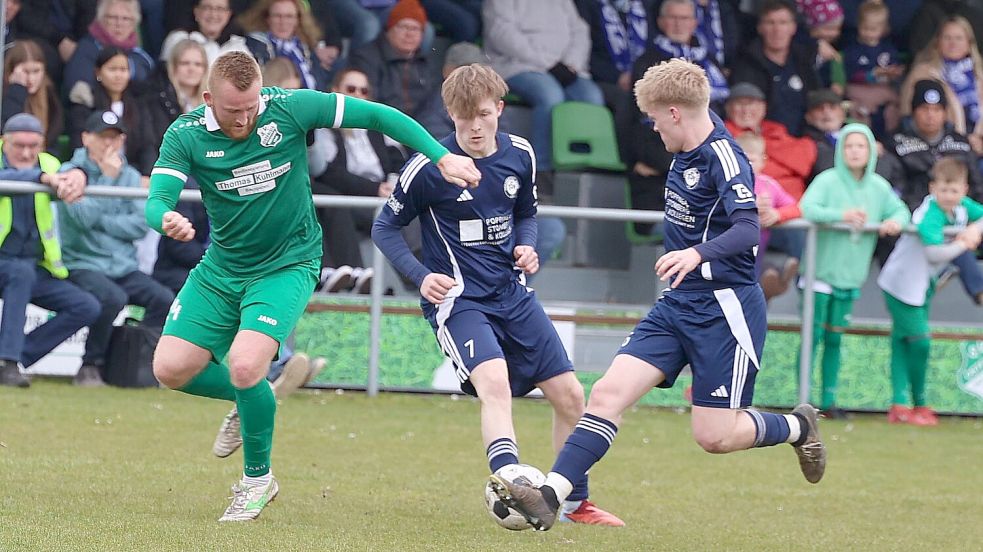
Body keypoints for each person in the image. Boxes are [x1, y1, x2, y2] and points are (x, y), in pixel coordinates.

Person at [487, 59, 828, 532]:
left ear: (673, 113)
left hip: (725, 310)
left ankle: (798, 427)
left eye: (652, 116)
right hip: (679, 304)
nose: (650, 125)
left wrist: (696, 255)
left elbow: (749, 227)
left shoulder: (725, 158)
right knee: (606, 393)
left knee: (714, 436)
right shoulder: (686, 147)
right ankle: (550, 497)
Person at [145, 50, 479, 521]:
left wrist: (440, 156)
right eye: (231, 110)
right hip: (221, 268)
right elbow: (156, 199)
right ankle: (256, 396)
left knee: (244, 366)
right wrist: (167, 219)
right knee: (171, 370)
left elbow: (377, 114)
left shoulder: (290, 107)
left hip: (288, 264)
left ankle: (257, 480)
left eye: (250, 107)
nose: (242, 118)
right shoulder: (186, 134)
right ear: (207, 99)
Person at [372, 62, 623, 527]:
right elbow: (385, 226)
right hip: (459, 299)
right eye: (463, 116)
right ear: (450, 113)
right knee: (495, 384)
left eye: (483, 115)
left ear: (500, 110)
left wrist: (526, 244)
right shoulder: (430, 166)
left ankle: (574, 504)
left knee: (570, 396)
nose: (474, 126)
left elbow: (526, 211)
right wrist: (418, 274)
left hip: (513, 293)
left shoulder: (520, 154)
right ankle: (514, 485)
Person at [798, 122, 910, 419]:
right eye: (849, 145)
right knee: (813, 336)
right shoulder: (827, 180)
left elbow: (901, 211)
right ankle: (803, 400)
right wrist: (841, 216)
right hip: (818, 273)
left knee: (835, 337)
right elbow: (807, 208)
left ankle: (828, 401)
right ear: (841, 150)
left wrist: (894, 222)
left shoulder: (879, 187)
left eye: (861, 146)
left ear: (871, 150)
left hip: (851, 276)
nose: (855, 151)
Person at [58, 111, 176, 387]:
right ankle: (90, 365)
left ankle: (135, 361)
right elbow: (81, 219)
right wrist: (108, 180)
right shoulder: (69, 173)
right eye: (102, 137)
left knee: (163, 299)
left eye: (115, 137)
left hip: (122, 265)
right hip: (83, 263)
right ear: (86, 138)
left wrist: (100, 221)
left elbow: (139, 225)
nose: (109, 144)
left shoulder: (131, 175)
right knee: (112, 298)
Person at [877, 156, 983, 426]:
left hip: (922, 283)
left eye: (955, 190)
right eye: (943, 190)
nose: (949, 196)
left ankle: (900, 405)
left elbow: (980, 216)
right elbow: (935, 254)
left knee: (902, 341)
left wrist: (973, 229)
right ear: (933, 188)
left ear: (964, 190)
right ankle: (920, 404)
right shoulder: (930, 213)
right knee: (920, 341)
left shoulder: (961, 208)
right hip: (902, 283)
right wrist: (965, 243)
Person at [0, 113, 98, 388]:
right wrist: (43, 177)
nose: (27, 152)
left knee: (86, 306)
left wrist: (78, 174)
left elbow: (73, 168)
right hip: (7, 262)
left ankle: (16, 357)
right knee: (20, 273)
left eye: (33, 146)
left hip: (35, 266)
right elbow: (11, 178)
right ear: (4, 142)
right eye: (19, 145)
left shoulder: (51, 164)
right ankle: (6, 363)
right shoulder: (44, 170)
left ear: (42, 144)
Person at [482, 0, 605, 185]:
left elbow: (579, 30)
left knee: (591, 98)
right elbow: (502, 34)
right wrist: (548, 63)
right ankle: (541, 169)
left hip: (565, 68)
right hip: (518, 65)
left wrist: (571, 64)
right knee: (550, 95)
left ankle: (578, 167)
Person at [308, 67, 407, 293]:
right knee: (337, 205)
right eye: (351, 89)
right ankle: (354, 275)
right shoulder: (327, 127)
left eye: (364, 91)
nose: (358, 95)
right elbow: (329, 172)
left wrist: (391, 184)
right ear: (336, 91)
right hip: (353, 195)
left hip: (384, 196)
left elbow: (397, 158)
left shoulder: (376, 125)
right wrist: (374, 189)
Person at [348, 0, 446, 136]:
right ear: (390, 29)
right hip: (383, 131)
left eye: (415, 29)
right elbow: (370, 103)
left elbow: (432, 109)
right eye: (403, 27)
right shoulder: (367, 58)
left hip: (418, 132)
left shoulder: (424, 63)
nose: (409, 34)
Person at [729, 0, 822, 136]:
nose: (777, 30)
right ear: (760, 28)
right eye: (770, 22)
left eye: (783, 23)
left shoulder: (804, 61)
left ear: (793, 27)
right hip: (762, 139)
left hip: (804, 140)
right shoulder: (746, 63)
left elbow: (816, 99)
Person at [67, 47, 158, 178]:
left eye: (123, 70)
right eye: (112, 69)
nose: (118, 75)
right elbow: (78, 143)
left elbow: (147, 145)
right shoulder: (86, 102)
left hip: (132, 173)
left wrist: (148, 175)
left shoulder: (138, 103)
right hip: (92, 172)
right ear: (98, 72)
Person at [900, 16, 983, 153]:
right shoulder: (923, 72)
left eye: (958, 38)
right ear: (938, 42)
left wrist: (978, 139)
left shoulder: (979, 74)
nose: (953, 43)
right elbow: (906, 113)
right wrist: (960, 142)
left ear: (969, 43)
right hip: (938, 146)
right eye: (947, 38)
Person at [733, 132, 801, 300]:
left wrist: (776, 214)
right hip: (728, 255)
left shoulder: (769, 185)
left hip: (756, 255)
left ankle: (776, 277)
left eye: (752, 160)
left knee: (757, 299)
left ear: (763, 161)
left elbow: (796, 208)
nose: (747, 165)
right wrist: (750, 209)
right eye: (742, 159)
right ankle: (775, 276)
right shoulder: (726, 183)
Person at [238, 0, 339, 90]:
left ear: (297, 20)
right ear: (268, 18)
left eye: (289, 16)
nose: (283, 22)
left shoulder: (304, 48)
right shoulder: (256, 44)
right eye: (277, 16)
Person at [62, 0, 155, 98]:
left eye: (126, 19)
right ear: (101, 19)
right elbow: (80, 89)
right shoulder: (87, 49)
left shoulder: (141, 57)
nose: (119, 24)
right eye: (113, 17)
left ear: (134, 23)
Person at [842, 0, 904, 137]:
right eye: (865, 28)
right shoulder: (853, 49)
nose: (868, 33)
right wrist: (872, 73)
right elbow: (851, 74)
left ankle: (891, 138)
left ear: (883, 28)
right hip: (860, 92)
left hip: (884, 91)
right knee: (860, 112)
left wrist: (894, 72)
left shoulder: (888, 49)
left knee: (893, 109)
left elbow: (895, 67)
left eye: (873, 29)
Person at [1, 40, 64, 153]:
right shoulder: (5, 95)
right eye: (25, 72)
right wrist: (17, 89)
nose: (31, 79)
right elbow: (5, 128)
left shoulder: (50, 98)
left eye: (36, 71)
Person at [160, 0, 250, 64]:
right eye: (207, 7)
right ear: (196, 12)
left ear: (228, 15)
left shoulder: (238, 47)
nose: (213, 14)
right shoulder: (177, 39)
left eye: (220, 8)